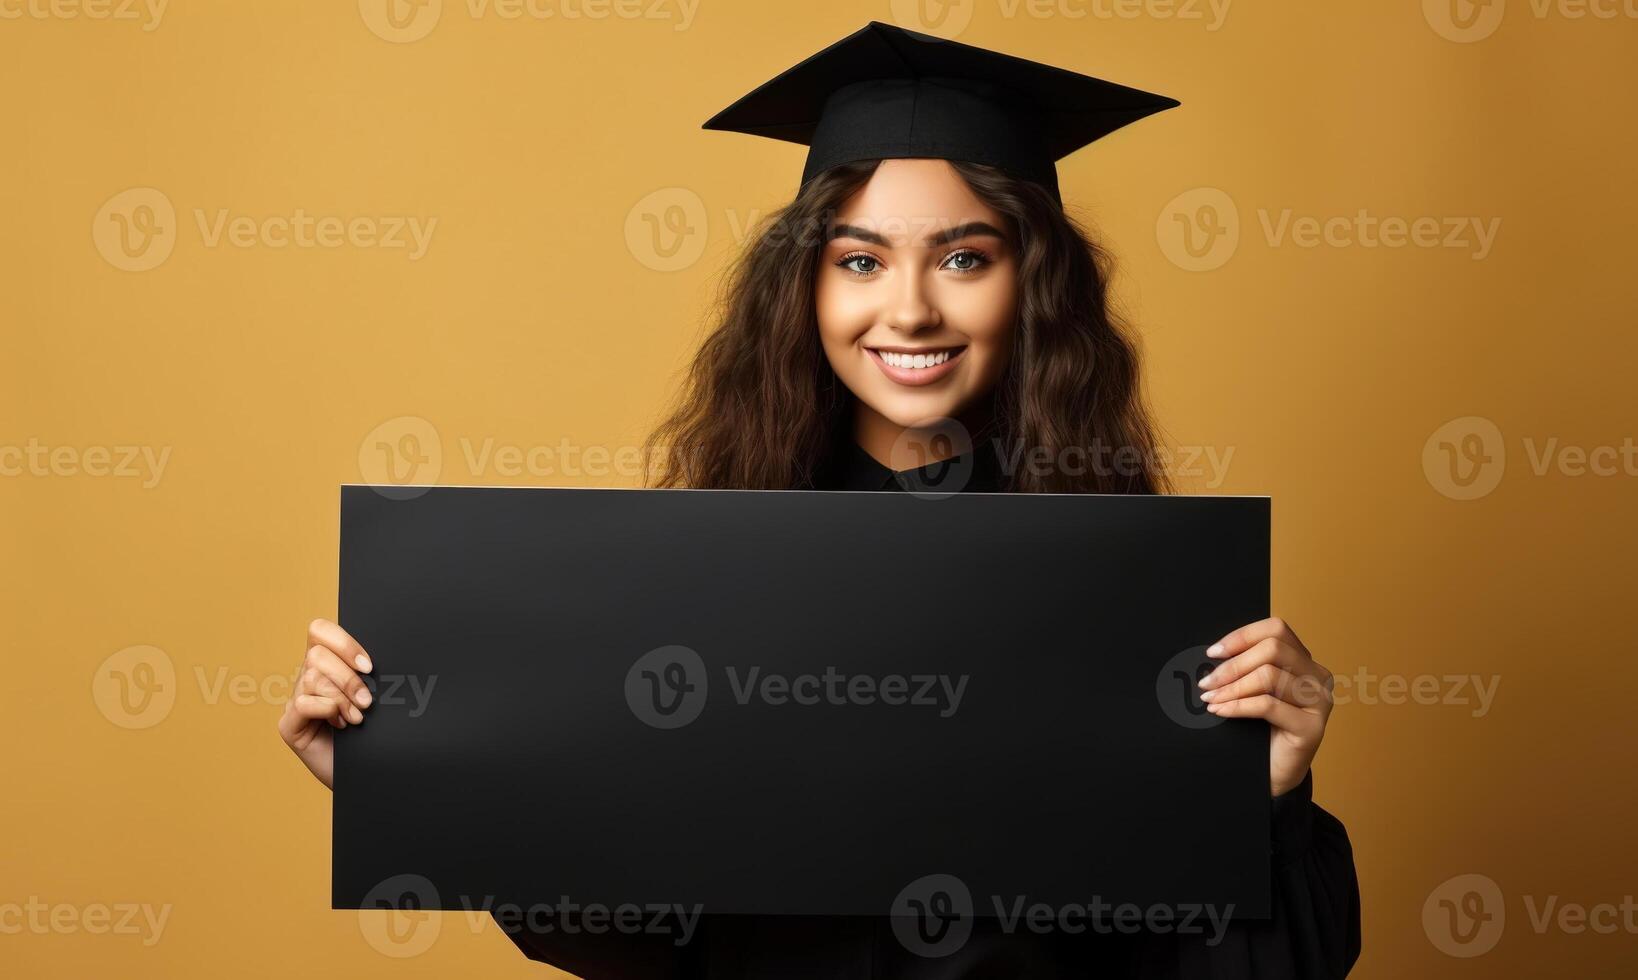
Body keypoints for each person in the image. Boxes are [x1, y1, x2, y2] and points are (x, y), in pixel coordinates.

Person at [279, 21, 1361, 978]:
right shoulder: (692, 573)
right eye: (859, 260)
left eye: (964, 256)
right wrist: (401, 776)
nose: (910, 307)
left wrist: (1261, 798)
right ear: (804, 286)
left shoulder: (1138, 590)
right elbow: (642, 940)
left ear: (1031, 283)